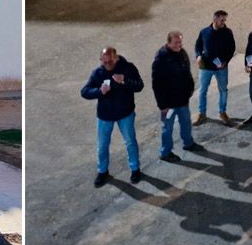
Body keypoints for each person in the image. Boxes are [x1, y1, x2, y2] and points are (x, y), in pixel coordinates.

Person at [81, 47, 144, 187]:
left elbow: (139, 86)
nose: (107, 64)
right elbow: (84, 92)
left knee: (130, 142)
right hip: (105, 116)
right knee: (102, 146)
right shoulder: (98, 73)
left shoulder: (127, 68)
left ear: (116, 58)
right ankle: (103, 171)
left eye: (109, 61)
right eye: (104, 62)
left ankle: (135, 169)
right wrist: (99, 91)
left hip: (125, 113)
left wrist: (124, 80)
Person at [152, 32, 202, 163]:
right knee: (167, 129)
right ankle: (165, 152)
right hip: (168, 104)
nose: (179, 45)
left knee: (186, 123)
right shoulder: (161, 58)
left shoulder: (182, 53)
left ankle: (188, 143)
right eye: (176, 42)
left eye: (180, 42)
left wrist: (190, 89)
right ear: (168, 43)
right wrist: (162, 106)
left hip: (182, 100)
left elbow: (187, 73)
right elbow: (157, 84)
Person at [194, 10, 236, 126]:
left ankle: (223, 113)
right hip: (205, 67)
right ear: (215, 20)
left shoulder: (228, 32)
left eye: (224, 20)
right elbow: (198, 46)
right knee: (202, 91)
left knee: (223, 90)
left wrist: (225, 61)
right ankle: (202, 114)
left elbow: (232, 48)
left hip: (221, 68)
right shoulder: (204, 32)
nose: (224, 22)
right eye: (222, 20)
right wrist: (198, 56)